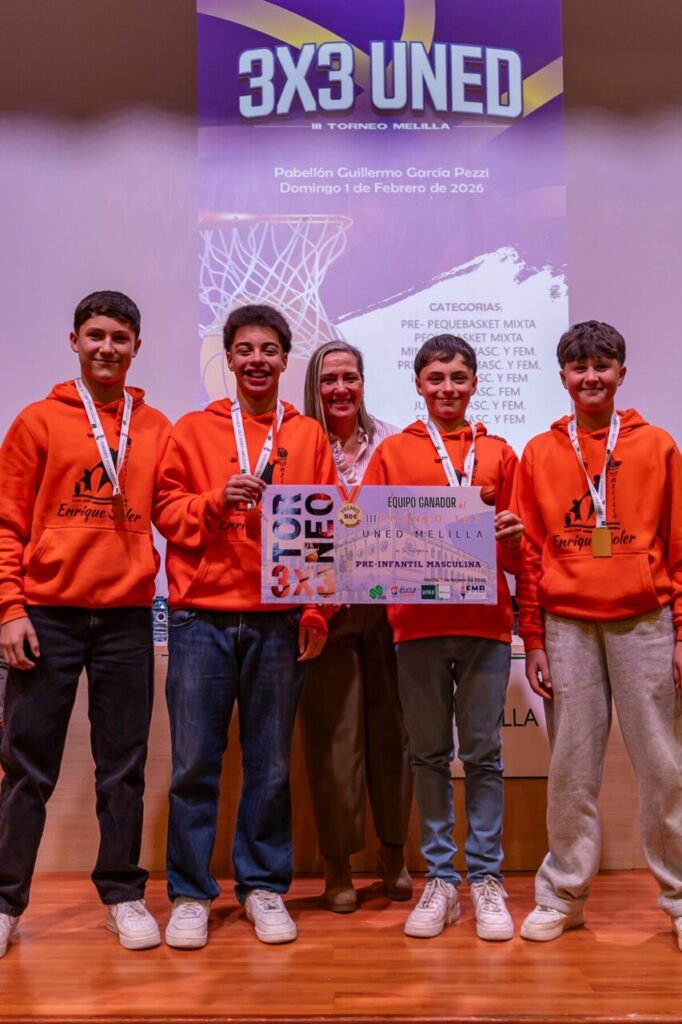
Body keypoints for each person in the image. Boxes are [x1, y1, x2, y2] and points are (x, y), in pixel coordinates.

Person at [155, 303, 336, 949]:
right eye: (245, 349)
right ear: (228, 358)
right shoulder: (190, 430)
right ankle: (189, 894)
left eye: (269, 350)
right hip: (201, 618)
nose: (257, 360)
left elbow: (321, 529)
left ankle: (263, 888)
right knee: (194, 764)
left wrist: (315, 609)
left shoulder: (307, 435)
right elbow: (167, 512)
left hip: (277, 622)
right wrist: (213, 501)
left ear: (286, 359)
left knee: (268, 766)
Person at [0, 291, 170, 958]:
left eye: (120, 337)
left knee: (122, 768)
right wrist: (10, 609)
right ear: (74, 341)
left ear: (135, 347)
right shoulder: (38, 421)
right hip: (48, 615)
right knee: (26, 768)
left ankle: (123, 896)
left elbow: (177, 511)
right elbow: (8, 524)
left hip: (126, 617)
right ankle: (6, 902)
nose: (107, 348)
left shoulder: (156, 427)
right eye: (96, 335)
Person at [514, 320, 682, 947]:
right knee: (570, 769)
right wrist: (532, 638)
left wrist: (681, 633)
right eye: (579, 367)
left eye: (603, 365)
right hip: (568, 628)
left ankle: (679, 897)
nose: (591, 377)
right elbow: (531, 553)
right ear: (562, 377)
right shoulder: (539, 452)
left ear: (621, 373)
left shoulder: (658, 445)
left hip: (645, 622)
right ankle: (563, 895)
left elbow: (679, 544)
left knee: (664, 767)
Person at [365, 334, 523, 941]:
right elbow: (371, 547)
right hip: (416, 626)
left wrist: (510, 539)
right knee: (428, 755)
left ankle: (485, 878)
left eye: (458, 377)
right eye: (436, 378)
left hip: (484, 625)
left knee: (483, 755)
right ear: (419, 385)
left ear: (475, 383)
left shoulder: (500, 453)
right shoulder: (392, 454)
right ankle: (440, 879)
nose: (447, 388)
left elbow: (518, 558)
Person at [299, 341, 412, 914]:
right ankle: (338, 863)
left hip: (390, 607)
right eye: (328, 379)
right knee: (334, 739)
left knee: (393, 732)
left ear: (364, 382)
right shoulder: (294, 442)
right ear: (313, 386)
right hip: (325, 610)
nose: (340, 389)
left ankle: (394, 853)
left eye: (350, 377)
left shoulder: (395, 441)